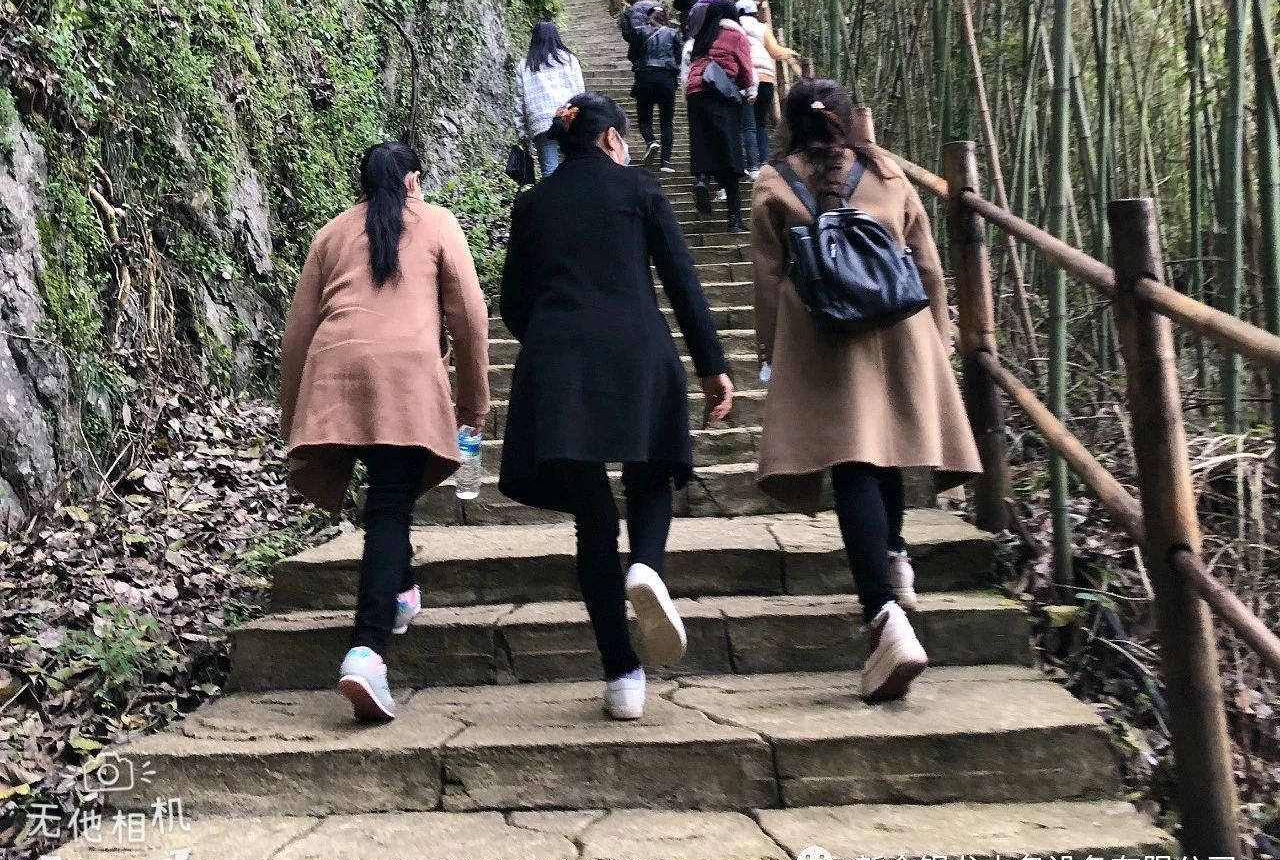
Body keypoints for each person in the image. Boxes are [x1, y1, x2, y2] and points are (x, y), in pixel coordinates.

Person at [498, 94, 734, 720]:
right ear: (611, 140)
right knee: (651, 476)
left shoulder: (533, 203)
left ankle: (621, 674)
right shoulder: (640, 189)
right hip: (638, 353)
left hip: (559, 366)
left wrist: (552, 341)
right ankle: (647, 567)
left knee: (593, 519)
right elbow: (681, 278)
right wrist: (712, 365)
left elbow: (512, 302)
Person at [751, 81, 981, 703]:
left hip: (822, 334)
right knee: (889, 449)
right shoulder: (888, 172)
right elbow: (926, 261)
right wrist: (938, 338)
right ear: (851, 120)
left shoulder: (773, 182)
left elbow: (768, 277)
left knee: (854, 461)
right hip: (897, 327)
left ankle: (883, 615)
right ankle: (896, 559)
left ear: (789, 124)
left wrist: (770, 352)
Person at [280, 141, 490, 723]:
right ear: (413, 180)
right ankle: (367, 649)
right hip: (405, 377)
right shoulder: (437, 222)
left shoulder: (330, 233)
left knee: (387, 498)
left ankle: (401, 593)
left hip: (336, 372)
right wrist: (474, 402)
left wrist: (292, 415)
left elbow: (297, 333)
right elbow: (470, 318)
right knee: (392, 503)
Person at [686, 0, 755, 231]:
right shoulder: (736, 36)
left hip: (695, 94)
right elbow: (746, 71)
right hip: (720, 94)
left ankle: (702, 179)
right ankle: (734, 219)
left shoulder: (701, 37)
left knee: (702, 143)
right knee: (729, 153)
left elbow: (690, 66)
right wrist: (748, 89)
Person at [736, 0, 801, 175]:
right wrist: (790, 52)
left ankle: (753, 167)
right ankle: (765, 163)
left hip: (745, 76)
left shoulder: (735, 28)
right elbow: (775, 51)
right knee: (761, 124)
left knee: (748, 125)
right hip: (766, 77)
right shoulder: (762, 28)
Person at [513, 20, 584, 177]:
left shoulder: (525, 65)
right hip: (567, 118)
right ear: (556, 37)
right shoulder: (569, 59)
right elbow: (580, 91)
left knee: (549, 171)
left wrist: (521, 130)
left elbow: (519, 100)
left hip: (540, 123)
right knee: (575, 165)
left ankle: (552, 194)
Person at [631, 5, 682, 171]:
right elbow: (678, 57)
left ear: (649, 17)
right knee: (666, 122)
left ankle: (651, 141)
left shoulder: (639, 32)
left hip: (645, 76)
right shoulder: (673, 33)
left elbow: (632, 55)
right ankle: (665, 162)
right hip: (666, 78)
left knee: (644, 119)